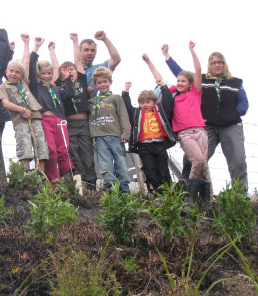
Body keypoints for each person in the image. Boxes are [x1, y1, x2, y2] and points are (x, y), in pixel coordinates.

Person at [162, 44, 249, 192]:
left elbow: (243, 104)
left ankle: (239, 197)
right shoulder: (201, 80)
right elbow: (180, 73)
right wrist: (167, 56)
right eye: (214, 62)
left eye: (220, 62)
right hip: (206, 126)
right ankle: (190, 191)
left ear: (224, 64)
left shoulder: (235, 82)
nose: (217, 65)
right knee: (194, 158)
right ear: (209, 65)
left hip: (230, 125)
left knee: (238, 161)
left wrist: (232, 115)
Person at [153, 42, 211, 206]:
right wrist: (162, 56)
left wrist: (192, 50)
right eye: (178, 80)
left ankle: (206, 202)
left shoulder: (195, 94)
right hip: (185, 134)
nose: (179, 83)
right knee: (198, 161)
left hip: (200, 131)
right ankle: (189, 197)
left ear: (190, 84)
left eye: (183, 81)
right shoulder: (173, 98)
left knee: (204, 166)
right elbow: (159, 82)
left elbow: (198, 71)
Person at [122, 54, 177, 196]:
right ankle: (155, 194)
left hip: (159, 144)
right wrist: (126, 92)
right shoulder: (137, 113)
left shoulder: (160, 111)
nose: (145, 105)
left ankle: (167, 195)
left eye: (148, 102)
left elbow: (168, 101)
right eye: (142, 102)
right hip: (144, 146)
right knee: (149, 169)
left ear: (154, 103)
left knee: (163, 169)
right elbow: (127, 107)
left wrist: (163, 87)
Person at [49, 33, 97, 186]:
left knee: (87, 154)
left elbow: (77, 60)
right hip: (69, 124)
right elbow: (56, 67)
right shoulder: (61, 85)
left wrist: (75, 41)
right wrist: (51, 51)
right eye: (67, 69)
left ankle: (91, 183)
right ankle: (78, 183)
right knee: (74, 153)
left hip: (84, 123)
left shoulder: (82, 81)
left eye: (72, 69)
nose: (70, 71)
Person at [0, 34, 49, 172]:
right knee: (25, 145)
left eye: (18, 72)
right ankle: (26, 174)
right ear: (6, 72)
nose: (14, 74)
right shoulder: (4, 87)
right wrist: (22, 110)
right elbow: (5, 104)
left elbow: (26, 61)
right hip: (20, 119)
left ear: (22, 75)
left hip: (35, 116)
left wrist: (27, 43)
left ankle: (41, 175)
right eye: (12, 71)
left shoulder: (23, 83)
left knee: (40, 145)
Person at [29, 37, 75, 183]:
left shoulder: (57, 88)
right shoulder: (36, 88)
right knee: (51, 151)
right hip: (45, 121)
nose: (47, 76)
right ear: (38, 74)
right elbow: (30, 67)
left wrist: (67, 78)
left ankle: (67, 179)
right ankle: (53, 182)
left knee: (64, 150)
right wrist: (36, 48)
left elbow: (70, 94)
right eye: (43, 73)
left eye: (49, 73)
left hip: (60, 121)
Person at [88, 67, 131, 193]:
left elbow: (123, 116)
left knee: (121, 163)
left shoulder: (116, 98)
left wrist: (126, 133)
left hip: (116, 136)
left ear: (110, 82)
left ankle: (124, 190)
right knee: (105, 164)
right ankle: (110, 189)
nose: (102, 85)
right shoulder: (92, 102)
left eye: (105, 82)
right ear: (95, 85)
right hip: (100, 137)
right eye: (99, 83)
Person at [80, 31, 121, 97]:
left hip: (92, 105)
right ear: (79, 52)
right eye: (86, 50)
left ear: (96, 53)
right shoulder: (71, 70)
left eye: (92, 50)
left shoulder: (98, 70)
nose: (90, 53)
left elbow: (116, 59)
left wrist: (105, 39)